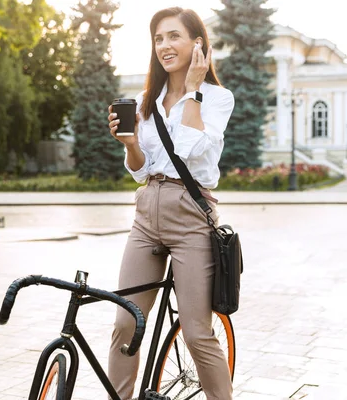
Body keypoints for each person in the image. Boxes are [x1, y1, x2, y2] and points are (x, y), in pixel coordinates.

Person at [106, 7, 235, 400]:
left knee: (197, 332)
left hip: (192, 217)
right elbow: (141, 170)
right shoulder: (149, 100)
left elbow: (190, 147)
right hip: (147, 214)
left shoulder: (217, 98)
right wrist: (130, 145)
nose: (164, 45)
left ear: (198, 44)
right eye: (158, 38)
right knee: (125, 323)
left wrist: (194, 88)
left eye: (174, 36)